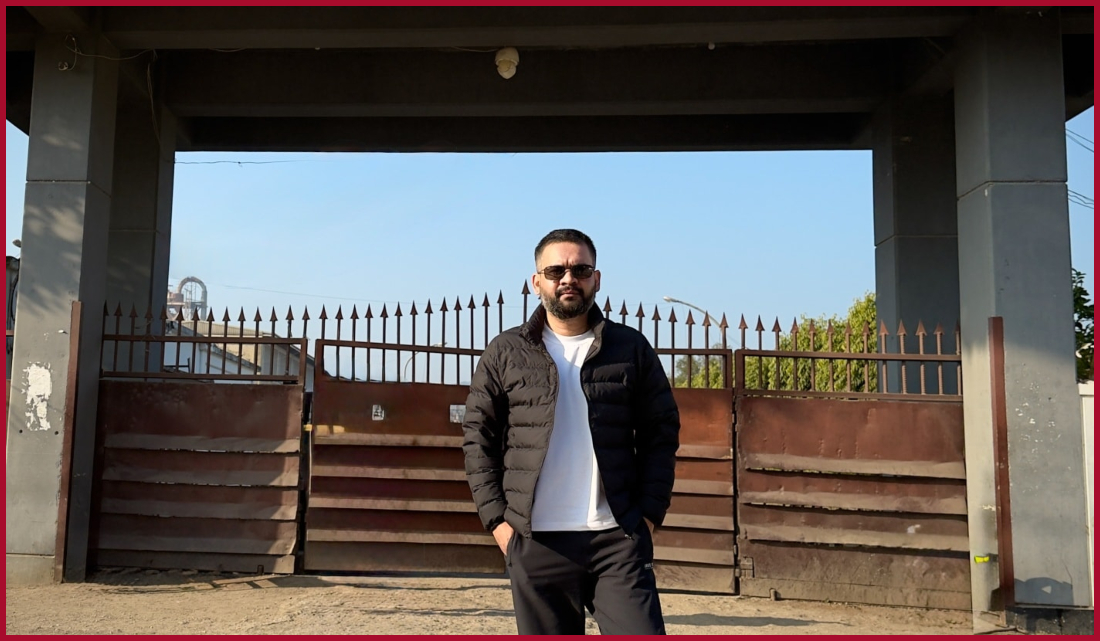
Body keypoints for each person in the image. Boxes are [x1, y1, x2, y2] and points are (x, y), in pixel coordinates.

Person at [462, 228, 680, 635]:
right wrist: (499, 524)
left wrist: (649, 515)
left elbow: (661, 433)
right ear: (536, 281)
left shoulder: (630, 348)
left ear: (596, 278)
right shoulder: (505, 352)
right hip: (536, 542)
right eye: (555, 271)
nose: (568, 279)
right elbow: (478, 439)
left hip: (617, 539)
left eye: (580, 270)